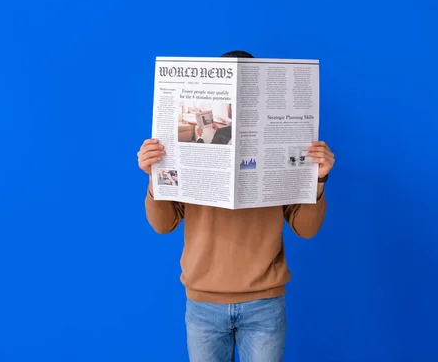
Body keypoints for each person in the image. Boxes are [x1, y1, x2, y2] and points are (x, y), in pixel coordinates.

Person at [136, 50, 335, 361]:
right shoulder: (192, 142)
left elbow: (305, 229)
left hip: (265, 305)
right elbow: (163, 225)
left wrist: (319, 181)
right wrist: (154, 177)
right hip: (203, 304)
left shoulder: (283, 145)